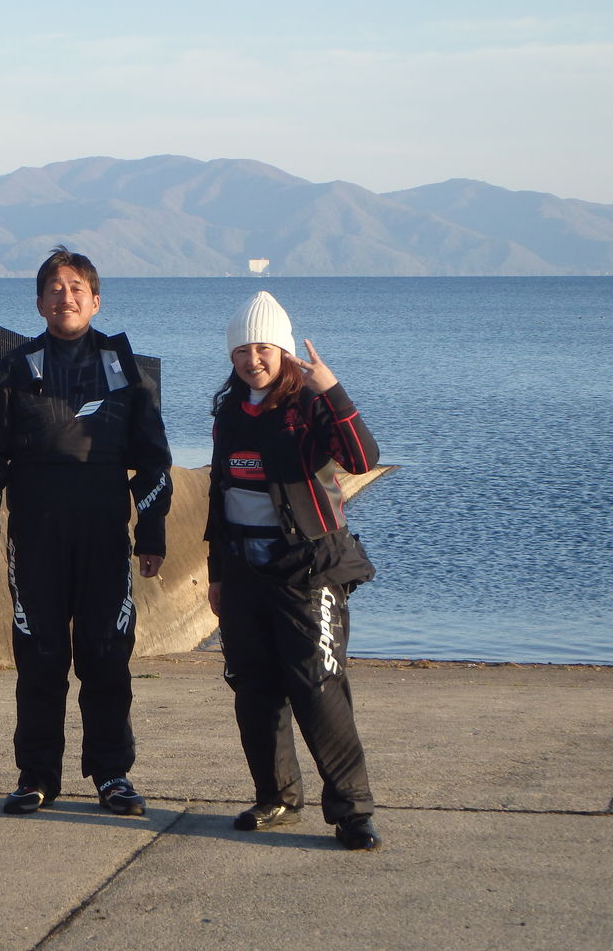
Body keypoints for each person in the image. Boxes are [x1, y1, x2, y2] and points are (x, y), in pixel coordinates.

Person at [0, 246, 172, 816]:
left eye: (77, 288)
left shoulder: (126, 371)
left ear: (95, 300)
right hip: (35, 539)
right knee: (40, 657)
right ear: (39, 303)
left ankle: (112, 775)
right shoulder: (13, 370)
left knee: (107, 655)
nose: (66, 297)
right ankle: (37, 775)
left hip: (104, 537)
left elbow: (153, 459)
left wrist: (151, 533)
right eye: (55, 289)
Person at [204, 290, 382, 851]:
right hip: (243, 571)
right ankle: (277, 796)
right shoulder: (230, 411)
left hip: (309, 569)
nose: (252, 359)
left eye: (263, 348)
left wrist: (331, 389)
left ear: (282, 351)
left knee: (318, 687)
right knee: (254, 688)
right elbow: (219, 493)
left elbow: (362, 459)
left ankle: (353, 813)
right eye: (241, 351)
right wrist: (216, 573)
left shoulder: (307, 404)